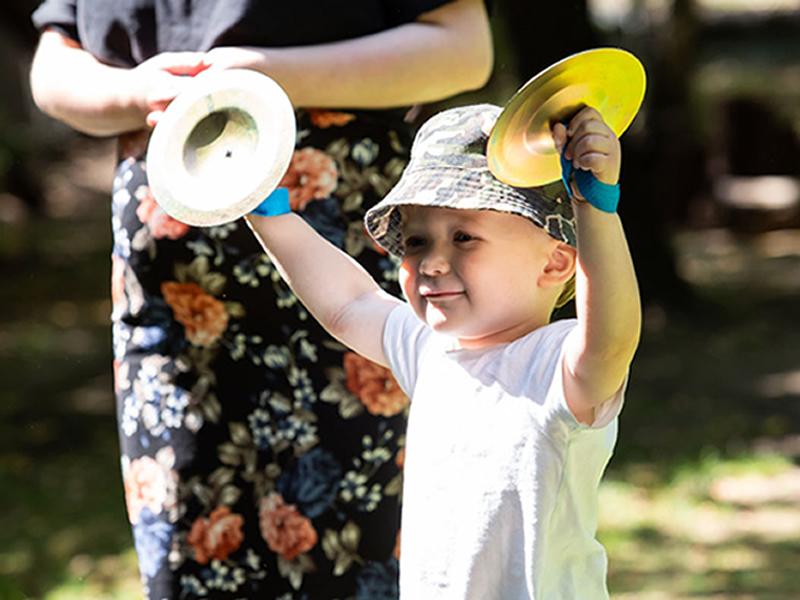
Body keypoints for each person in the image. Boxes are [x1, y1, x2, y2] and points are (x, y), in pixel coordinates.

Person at [28, 1, 493, 598]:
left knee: (368, 554)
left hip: (350, 254)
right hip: (174, 292)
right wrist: (137, 89)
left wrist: (266, 72)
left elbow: (465, 48)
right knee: (191, 560)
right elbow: (52, 65)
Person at [245, 103, 641, 599]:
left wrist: (596, 208)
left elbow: (614, 338)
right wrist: (267, 213)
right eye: (415, 241)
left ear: (556, 263)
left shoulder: (558, 366)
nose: (431, 262)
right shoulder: (430, 350)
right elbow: (350, 302)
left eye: (463, 238)